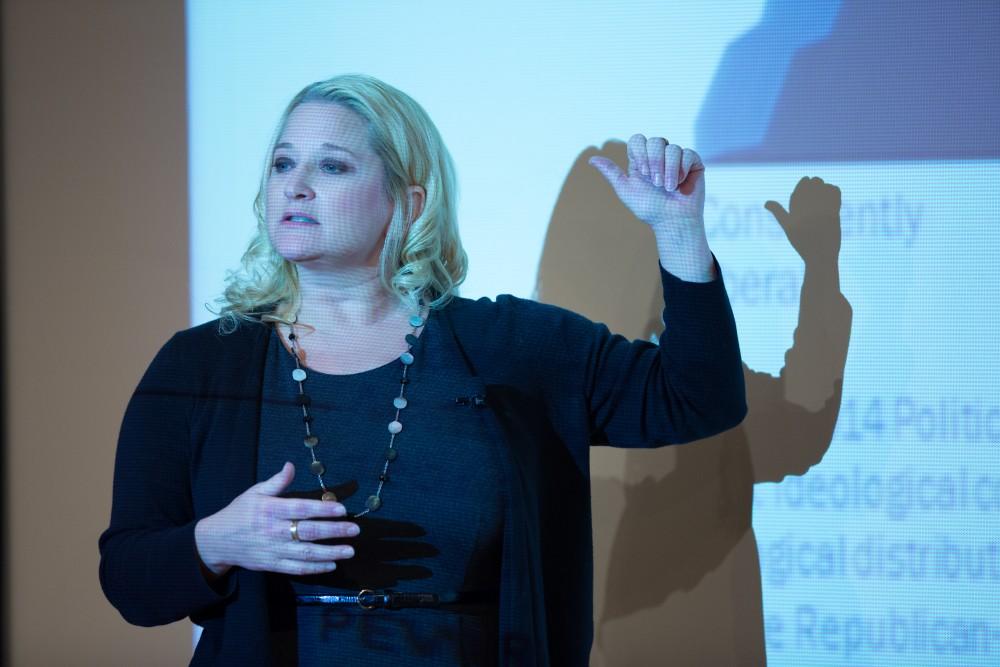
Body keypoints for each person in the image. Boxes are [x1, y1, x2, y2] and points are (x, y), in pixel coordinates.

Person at [98, 73, 748, 666]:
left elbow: (698, 396)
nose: (295, 185)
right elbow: (129, 577)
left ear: (408, 201)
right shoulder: (199, 365)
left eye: (332, 165)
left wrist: (678, 232)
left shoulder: (511, 346)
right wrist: (219, 539)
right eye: (282, 163)